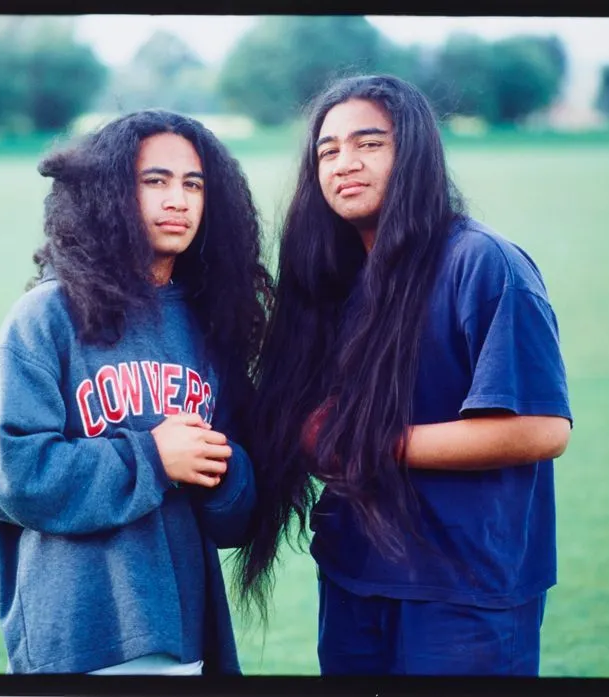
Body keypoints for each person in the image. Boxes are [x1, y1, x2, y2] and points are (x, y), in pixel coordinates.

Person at [232, 75, 573, 676]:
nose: (345, 163)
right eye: (328, 150)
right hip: (353, 577)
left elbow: (541, 429)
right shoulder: (330, 277)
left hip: (466, 592)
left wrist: (372, 444)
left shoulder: (484, 263)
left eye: (369, 143)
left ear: (413, 152)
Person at [0, 109, 272, 675]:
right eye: (154, 181)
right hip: (80, 636)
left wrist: (219, 471)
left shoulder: (209, 325)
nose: (177, 199)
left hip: (185, 635)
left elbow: (236, 520)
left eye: (193, 184)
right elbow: (4, 471)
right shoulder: (47, 316)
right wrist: (153, 457)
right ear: (109, 193)